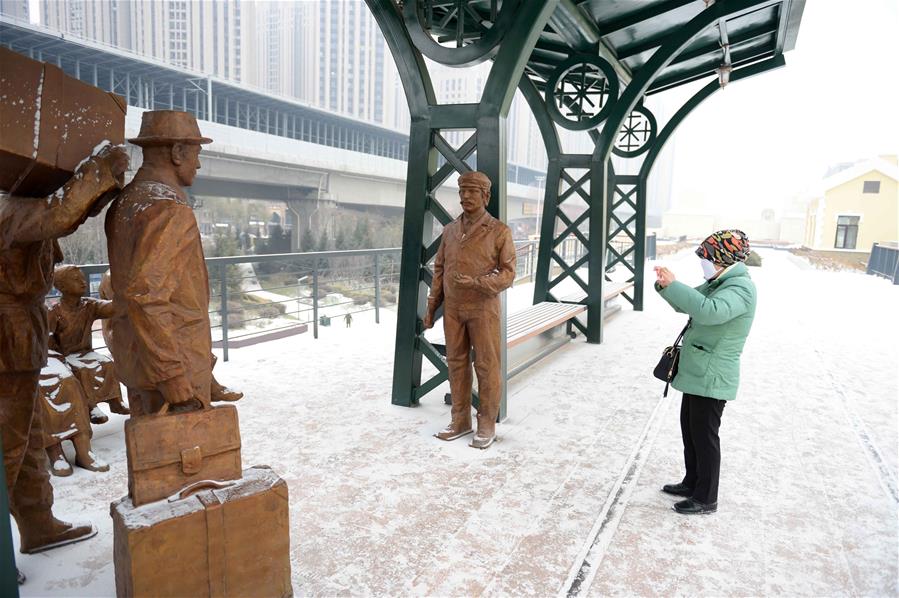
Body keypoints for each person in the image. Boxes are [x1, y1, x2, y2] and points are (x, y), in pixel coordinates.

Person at [0, 143, 128, 553]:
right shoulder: (12, 209)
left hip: (22, 340)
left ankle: (38, 526)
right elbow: (59, 215)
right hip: (9, 340)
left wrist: (103, 186)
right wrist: (100, 169)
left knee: (28, 439)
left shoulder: (20, 205)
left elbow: (65, 215)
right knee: (9, 445)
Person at [105, 110, 229, 416]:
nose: (198, 164)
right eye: (196, 154)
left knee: (153, 456)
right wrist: (172, 377)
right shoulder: (169, 210)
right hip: (176, 376)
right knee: (190, 458)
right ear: (177, 152)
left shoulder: (125, 202)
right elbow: (147, 297)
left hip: (139, 361)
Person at [654, 229, 756, 515]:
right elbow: (687, 302)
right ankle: (692, 482)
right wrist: (666, 286)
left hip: (713, 374)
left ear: (723, 258)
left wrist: (675, 286)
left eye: (708, 258)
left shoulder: (740, 289)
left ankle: (706, 497)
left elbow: (709, 311)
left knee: (705, 436)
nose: (704, 263)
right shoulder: (720, 282)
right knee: (691, 429)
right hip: (700, 371)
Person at [423, 171, 516, 450]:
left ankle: (486, 422)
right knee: (456, 363)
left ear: (485, 196)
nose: (465, 196)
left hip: (483, 308)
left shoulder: (499, 231)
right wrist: (432, 308)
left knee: (487, 365)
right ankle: (459, 419)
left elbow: (509, 273)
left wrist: (478, 283)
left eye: (472, 191)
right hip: (453, 309)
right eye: (462, 191)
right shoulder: (450, 231)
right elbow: (439, 270)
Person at [48, 266, 128, 424]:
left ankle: (114, 401)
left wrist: (125, 296)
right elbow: (48, 339)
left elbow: (111, 308)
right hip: (66, 356)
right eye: (76, 279)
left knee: (107, 364)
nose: (83, 282)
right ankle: (91, 407)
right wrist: (57, 357)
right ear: (62, 286)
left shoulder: (89, 305)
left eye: (82, 278)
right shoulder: (54, 311)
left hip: (86, 352)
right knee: (82, 371)